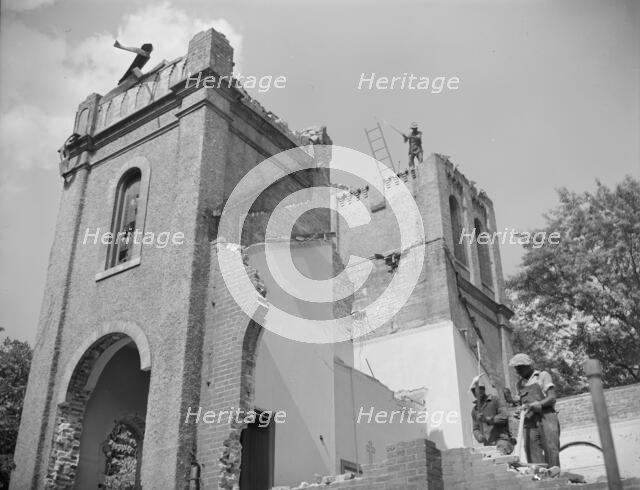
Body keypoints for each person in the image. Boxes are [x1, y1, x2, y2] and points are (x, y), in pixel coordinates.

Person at [509, 353, 561, 472]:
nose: (518, 371)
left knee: (551, 449)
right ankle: (540, 480)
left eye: (520, 367)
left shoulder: (542, 376)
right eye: (516, 368)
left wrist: (535, 404)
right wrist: (519, 411)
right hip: (529, 421)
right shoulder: (519, 384)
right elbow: (522, 404)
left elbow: (552, 397)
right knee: (531, 452)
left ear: (528, 365)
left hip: (546, 416)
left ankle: (555, 477)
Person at [470, 375, 514, 455]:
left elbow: (504, 417)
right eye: (473, 391)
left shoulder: (495, 400)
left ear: (483, 390)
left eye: (477, 390)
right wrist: (479, 436)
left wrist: (487, 419)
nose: (475, 393)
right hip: (488, 444)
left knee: (498, 457)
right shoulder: (475, 410)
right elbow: (475, 428)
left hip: (502, 441)